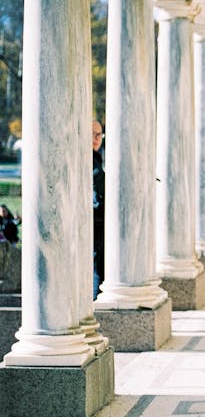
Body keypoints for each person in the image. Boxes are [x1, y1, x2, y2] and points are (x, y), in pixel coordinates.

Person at [92, 120, 105, 298]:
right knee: (96, 269)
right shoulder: (89, 160)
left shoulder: (96, 158)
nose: (96, 138)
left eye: (99, 134)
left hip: (98, 223)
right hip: (94, 224)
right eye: (92, 134)